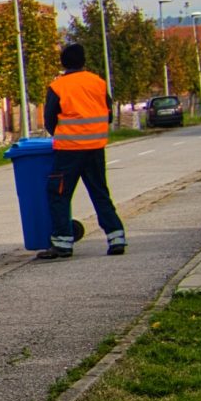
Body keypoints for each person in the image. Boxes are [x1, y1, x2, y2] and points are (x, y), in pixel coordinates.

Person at [42, 41, 125, 258]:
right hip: (95, 148)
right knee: (99, 192)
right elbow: (108, 114)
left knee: (58, 194)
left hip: (69, 150)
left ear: (63, 63)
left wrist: (62, 133)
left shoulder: (58, 87)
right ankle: (116, 238)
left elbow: (49, 119)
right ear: (83, 61)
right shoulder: (98, 82)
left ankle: (62, 243)